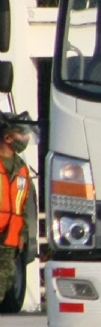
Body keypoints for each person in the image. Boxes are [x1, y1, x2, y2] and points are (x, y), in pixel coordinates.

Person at [0, 114, 37, 308]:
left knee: (5, 281)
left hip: (10, 236)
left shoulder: (21, 168)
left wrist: (22, 234)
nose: (24, 138)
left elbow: (22, 205)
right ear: (7, 138)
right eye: (20, 134)